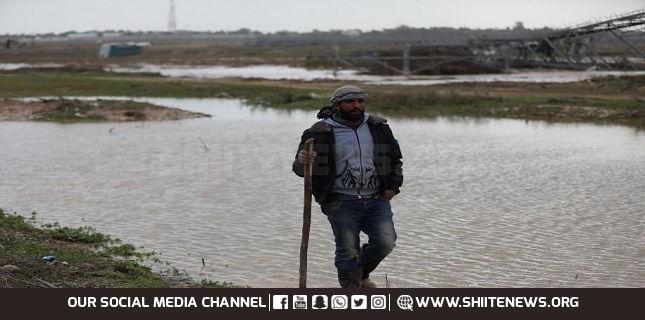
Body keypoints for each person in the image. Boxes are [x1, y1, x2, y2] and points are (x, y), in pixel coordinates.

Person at [292, 85, 403, 288]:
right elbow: (300, 170)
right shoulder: (319, 132)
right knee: (347, 250)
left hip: (376, 199)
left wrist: (392, 188)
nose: (356, 106)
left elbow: (395, 159)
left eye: (360, 101)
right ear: (336, 105)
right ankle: (352, 293)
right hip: (340, 201)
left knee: (385, 243)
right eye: (350, 102)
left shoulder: (379, 127)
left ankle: (360, 275)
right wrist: (303, 159)